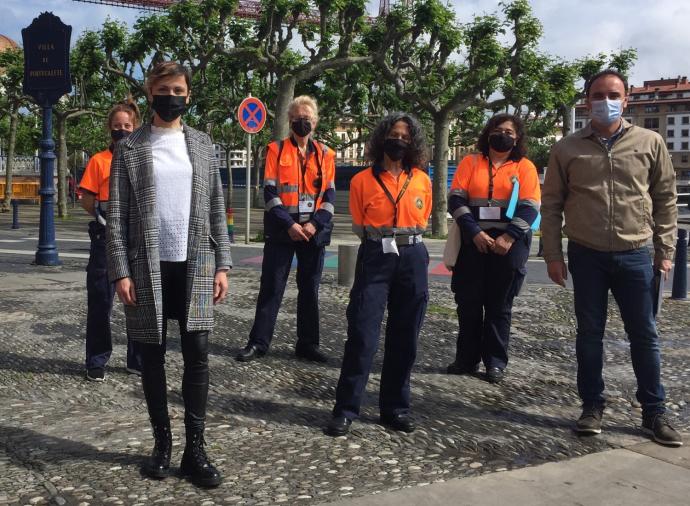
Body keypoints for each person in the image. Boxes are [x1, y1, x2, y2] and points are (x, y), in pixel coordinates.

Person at [107, 61, 233, 487]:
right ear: (150, 93)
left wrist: (224, 263)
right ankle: (162, 444)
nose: (171, 96)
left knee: (197, 355)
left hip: (195, 263)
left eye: (178, 89)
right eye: (163, 89)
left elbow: (216, 207)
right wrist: (120, 271)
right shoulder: (130, 148)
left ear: (188, 95)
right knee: (152, 356)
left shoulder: (202, 144)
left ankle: (195, 450)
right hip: (147, 267)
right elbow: (118, 216)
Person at [541, 69, 682, 447]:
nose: (606, 101)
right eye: (598, 94)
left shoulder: (650, 142)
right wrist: (553, 254)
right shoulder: (566, 148)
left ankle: (654, 411)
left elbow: (666, 199)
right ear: (587, 101)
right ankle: (591, 406)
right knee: (589, 335)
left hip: (636, 253)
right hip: (587, 255)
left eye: (613, 94)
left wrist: (664, 251)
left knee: (645, 336)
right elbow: (551, 204)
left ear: (627, 99)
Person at [325, 112, 431, 437]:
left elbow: (424, 217)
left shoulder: (423, 180)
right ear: (381, 138)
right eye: (393, 134)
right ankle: (345, 409)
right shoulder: (361, 181)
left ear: (412, 143)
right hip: (375, 254)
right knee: (362, 334)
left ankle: (395, 408)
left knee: (405, 336)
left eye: (405, 136)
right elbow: (359, 225)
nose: (398, 140)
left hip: (412, 256)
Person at [236, 96, 336, 363]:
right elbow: (270, 192)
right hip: (283, 231)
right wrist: (290, 224)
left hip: (313, 232)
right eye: (297, 118)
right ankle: (258, 343)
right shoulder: (276, 150)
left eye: (307, 118)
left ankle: (308, 344)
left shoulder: (326, 154)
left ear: (315, 122)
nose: (302, 122)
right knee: (271, 287)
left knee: (310, 289)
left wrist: (314, 224)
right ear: (290, 121)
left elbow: (329, 195)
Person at [446, 114, 540, 384]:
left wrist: (509, 237)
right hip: (472, 238)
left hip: (509, 243)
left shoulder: (525, 167)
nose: (503, 135)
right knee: (468, 302)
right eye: (498, 130)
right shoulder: (470, 162)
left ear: (518, 138)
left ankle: (495, 362)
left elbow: (531, 206)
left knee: (500, 305)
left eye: (509, 131)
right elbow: (455, 197)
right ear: (488, 134)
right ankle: (466, 358)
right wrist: (473, 231)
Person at [78, 100, 143, 381]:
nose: (122, 130)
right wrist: (107, 219)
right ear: (109, 128)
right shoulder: (98, 161)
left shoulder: (143, 158)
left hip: (136, 241)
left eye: (127, 126)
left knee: (138, 301)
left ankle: (137, 359)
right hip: (105, 239)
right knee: (101, 301)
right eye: (117, 126)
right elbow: (87, 199)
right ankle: (96, 359)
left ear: (136, 127)